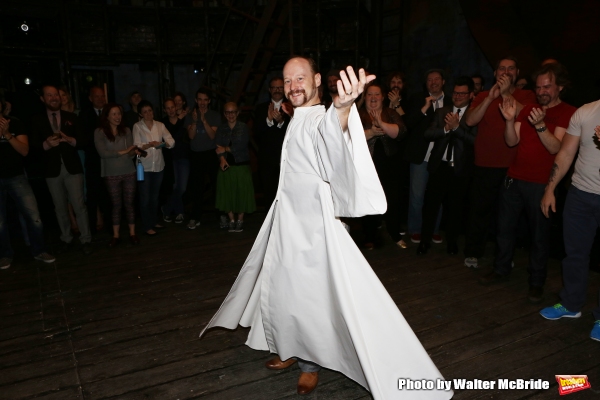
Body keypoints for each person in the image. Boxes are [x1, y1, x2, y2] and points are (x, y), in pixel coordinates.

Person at [200, 57, 452, 399]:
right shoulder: (297, 115)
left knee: (312, 294)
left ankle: (310, 364)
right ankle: (288, 346)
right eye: (288, 81)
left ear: (317, 79)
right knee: (283, 285)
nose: (293, 86)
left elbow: (332, 132)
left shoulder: (321, 116)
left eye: (300, 78)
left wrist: (344, 107)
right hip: (287, 220)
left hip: (315, 226)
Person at [479, 63, 576, 303]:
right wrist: (510, 121)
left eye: (547, 86)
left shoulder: (568, 112)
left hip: (542, 185)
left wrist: (541, 124)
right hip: (514, 178)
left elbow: (557, 148)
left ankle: (536, 282)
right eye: (539, 86)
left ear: (560, 87)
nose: (542, 91)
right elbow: (512, 142)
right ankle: (501, 269)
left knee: (539, 236)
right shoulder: (529, 108)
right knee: (504, 229)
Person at [463, 56, 537, 268]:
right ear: (495, 74)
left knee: (507, 217)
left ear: (517, 72)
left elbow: (530, 115)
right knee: (479, 211)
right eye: (501, 69)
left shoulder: (527, 95)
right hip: (485, 164)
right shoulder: (484, 95)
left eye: (511, 68)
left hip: (514, 166)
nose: (506, 72)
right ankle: (473, 252)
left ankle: (504, 257)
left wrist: (505, 95)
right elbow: (469, 121)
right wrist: (489, 99)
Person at [538, 101, 600, 341]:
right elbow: (565, 152)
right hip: (579, 195)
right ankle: (571, 304)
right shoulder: (585, 112)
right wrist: (550, 187)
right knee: (574, 254)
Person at [416, 77, 477, 255]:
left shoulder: (474, 114)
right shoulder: (443, 111)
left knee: (455, 209)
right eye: (456, 92)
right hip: (439, 167)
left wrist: (457, 128)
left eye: (462, 93)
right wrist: (445, 129)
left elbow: (475, 141)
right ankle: (424, 242)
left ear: (471, 95)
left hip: (460, 169)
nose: (458, 96)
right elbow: (428, 133)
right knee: (430, 207)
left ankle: (452, 242)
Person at [30, 85, 93, 255]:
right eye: (49, 95)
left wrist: (71, 140)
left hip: (72, 167)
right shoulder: (37, 120)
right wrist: (46, 144)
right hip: (51, 170)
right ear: (43, 99)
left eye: (55, 94)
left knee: (79, 205)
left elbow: (84, 140)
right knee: (60, 208)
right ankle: (66, 237)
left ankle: (86, 239)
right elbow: (32, 147)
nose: (53, 98)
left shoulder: (71, 117)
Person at [0, 99, 55, 270]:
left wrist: (8, 134)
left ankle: (39, 250)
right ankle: (5, 255)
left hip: (16, 176)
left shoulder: (15, 123)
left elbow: (24, 150)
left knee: (34, 217)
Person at [359, 83, 407, 249]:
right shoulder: (358, 114)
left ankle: (394, 234)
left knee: (392, 200)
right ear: (365, 97)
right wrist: (371, 132)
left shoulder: (390, 112)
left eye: (377, 94)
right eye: (370, 94)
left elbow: (401, 132)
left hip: (390, 165)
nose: (373, 97)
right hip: (366, 165)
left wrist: (381, 123)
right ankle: (370, 236)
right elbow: (349, 137)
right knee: (368, 201)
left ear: (383, 97)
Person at [404, 69, 445, 244]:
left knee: (438, 197)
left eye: (437, 79)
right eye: (430, 80)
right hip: (420, 155)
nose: (433, 82)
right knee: (417, 196)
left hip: (440, 157)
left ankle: (434, 229)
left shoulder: (451, 101)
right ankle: (415, 229)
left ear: (443, 82)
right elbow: (407, 123)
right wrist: (424, 108)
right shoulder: (417, 99)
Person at [95, 103, 143, 247]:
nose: (117, 117)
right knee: (116, 205)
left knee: (129, 204)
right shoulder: (99, 132)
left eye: (119, 114)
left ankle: (132, 233)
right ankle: (116, 235)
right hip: (111, 173)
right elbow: (103, 153)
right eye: (114, 114)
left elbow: (129, 155)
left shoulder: (126, 130)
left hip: (128, 171)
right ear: (107, 116)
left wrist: (133, 152)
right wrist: (124, 151)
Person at [132, 100, 175, 236]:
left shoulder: (160, 125)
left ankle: (153, 221)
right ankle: (147, 225)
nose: (148, 113)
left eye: (150, 110)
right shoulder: (137, 126)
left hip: (158, 166)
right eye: (145, 111)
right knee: (145, 198)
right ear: (140, 114)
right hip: (144, 167)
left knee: (155, 197)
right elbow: (136, 145)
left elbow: (171, 141)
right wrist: (147, 145)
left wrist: (161, 144)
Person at [215, 102, 256, 232]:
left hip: (241, 165)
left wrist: (225, 148)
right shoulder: (221, 128)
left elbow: (240, 145)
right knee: (227, 193)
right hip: (226, 166)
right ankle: (231, 219)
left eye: (233, 112)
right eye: (228, 112)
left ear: (237, 113)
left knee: (242, 193)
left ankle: (240, 219)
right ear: (224, 114)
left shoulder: (243, 127)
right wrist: (221, 158)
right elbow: (217, 146)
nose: (230, 115)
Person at [186, 89, 221, 230]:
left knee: (216, 186)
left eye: (205, 99)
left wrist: (203, 120)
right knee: (197, 188)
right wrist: (194, 121)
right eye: (200, 99)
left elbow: (212, 136)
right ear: (196, 100)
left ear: (209, 101)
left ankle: (221, 215)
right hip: (196, 155)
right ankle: (195, 217)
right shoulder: (190, 116)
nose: (202, 102)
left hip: (211, 154)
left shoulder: (214, 115)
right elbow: (191, 136)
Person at [254, 77, 290, 208]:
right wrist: (268, 120)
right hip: (266, 159)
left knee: (285, 193)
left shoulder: (291, 107)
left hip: (286, 159)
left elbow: (295, 133)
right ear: (269, 90)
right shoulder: (261, 108)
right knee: (269, 193)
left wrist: (281, 122)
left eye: (280, 87)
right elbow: (256, 132)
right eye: (274, 87)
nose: (277, 90)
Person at [79, 86, 108, 234]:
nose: (100, 99)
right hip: (93, 160)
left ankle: (111, 225)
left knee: (109, 193)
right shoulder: (84, 115)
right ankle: (93, 227)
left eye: (102, 96)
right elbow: (83, 139)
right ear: (90, 98)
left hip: (109, 160)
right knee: (93, 194)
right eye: (97, 96)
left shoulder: (110, 113)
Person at [161, 98, 190, 224]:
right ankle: (179, 212)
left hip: (183, 157)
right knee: (174, 186)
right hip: (170, 158)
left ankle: (166, 209)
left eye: (172, 107)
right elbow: (169, 135)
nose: (171, 110)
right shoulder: (163, 123)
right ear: (164, 110)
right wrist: (179, 120)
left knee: (182, 187)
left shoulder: (184, 119)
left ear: (176, 107)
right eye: (168, 108)